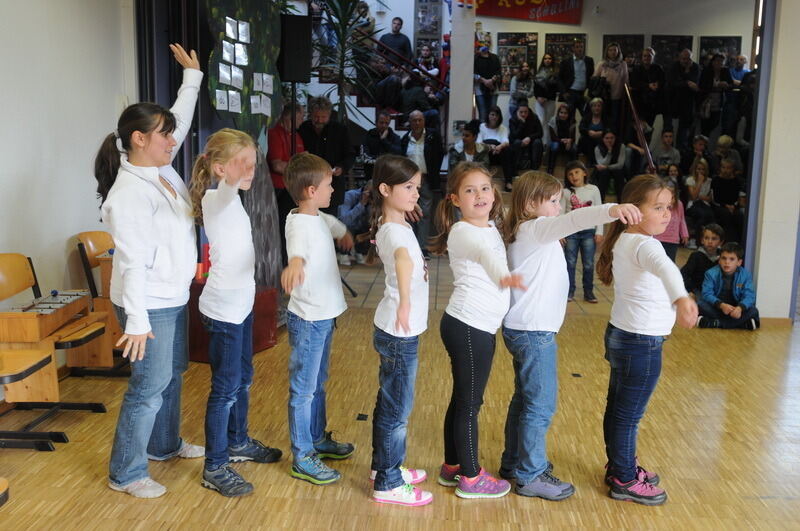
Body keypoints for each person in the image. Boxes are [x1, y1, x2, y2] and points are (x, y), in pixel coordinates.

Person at [96, 44, 205, 499]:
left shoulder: (160, 169)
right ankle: (126, 472)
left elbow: (176, 116)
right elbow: (131, 263)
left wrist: (192, 79)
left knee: (172, 372)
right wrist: (137, 323)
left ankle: (163, 445)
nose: (172, 141)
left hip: (171, 295)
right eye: (164, 135)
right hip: (148, 304)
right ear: (139, 139)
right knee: (147, 387)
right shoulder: (128, 194)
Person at [501, 171, 640, 500]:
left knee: (524, 402)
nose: (558, 207)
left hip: (525, 329)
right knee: (541, 406)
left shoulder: (529, 231)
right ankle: (531, 474)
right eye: (552, 201)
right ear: (531, 203)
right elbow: (578, 218)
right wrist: (612, 209)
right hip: (534, 333)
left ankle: (514, 464)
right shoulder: (535, 229)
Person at [189, 129, 283, 497]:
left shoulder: (234, 200)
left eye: (253, 163)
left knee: (243, 378)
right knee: (225, 390)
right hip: (223, 313)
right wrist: (231, 178)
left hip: (241, 307)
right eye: (242, 163)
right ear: (218, 168)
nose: (251, 170)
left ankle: (238, 441)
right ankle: (214, 466)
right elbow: (227, 189)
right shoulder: (217, 199)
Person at [596, 174, 699, 505]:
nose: (667, 214)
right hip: (640, 343)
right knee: (628, 415)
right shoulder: (646, 244)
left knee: (619, 409)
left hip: (623, 336)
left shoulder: (626, 239)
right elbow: (668, 270)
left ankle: (620, 466)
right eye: (657, 207)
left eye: (669, 206)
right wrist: (682, 299)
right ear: (633, 210)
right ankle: (625, 479)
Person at [430, 162, 525, 499]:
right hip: (469, 326)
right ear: (456, 199)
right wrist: (503, 275)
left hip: (473, 326)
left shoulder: (490, 226)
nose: (480, 195)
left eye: (485, 187)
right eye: (470, 190)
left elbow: (492, 247)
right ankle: (471, 478)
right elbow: (486, 256)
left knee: (462, 400)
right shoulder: (464, 231)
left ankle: (453, 466)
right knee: (470, 405)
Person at [281, 152, 356, 485]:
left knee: (317, 383)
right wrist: (295, 263)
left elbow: (330, 224)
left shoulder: (313, 216)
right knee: (304, 389)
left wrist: (343, 232)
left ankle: (317, 438)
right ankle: (303, 455)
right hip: (309, 319)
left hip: (323, 317)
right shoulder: (299, 223)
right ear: (311, 190)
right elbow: (297, 245)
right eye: (328, 184)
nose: (332, 188)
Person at [364, 155, 433, 507]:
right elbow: (404, 261)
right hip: (398, 332)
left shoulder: (395, 223)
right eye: (407, 187)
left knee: (388, 403)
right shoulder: (392, 231)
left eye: (417, 188)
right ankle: (388, 483)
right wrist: (405, 300)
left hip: (396, 330)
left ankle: (382, 468)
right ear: (385, 189)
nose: (415, 194)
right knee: (397, 411)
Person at [298, 96, 354, 215]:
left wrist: (341, 168)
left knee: (329, 224)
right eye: (316, 117)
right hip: (308, 184)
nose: (319, 120)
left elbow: (350, 155)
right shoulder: (303, 129)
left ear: (329, 115)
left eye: (323, 117)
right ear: (310, 114)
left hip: (332, 187)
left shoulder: (340, 130)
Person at [560, 160, 605, 302]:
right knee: (570, 262)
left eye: (577, 172)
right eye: (570, 174)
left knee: (588, 263)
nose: (574, 176)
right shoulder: (566, 192)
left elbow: (600, 212)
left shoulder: (593, 189)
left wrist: (599, 231)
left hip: (588, 232)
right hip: (570, 233)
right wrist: (560, 233)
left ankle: (588, 292)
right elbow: (560, 214)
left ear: (585, 173)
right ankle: (569, 291)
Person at [401, 110, 444, 254]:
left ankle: (422, 246)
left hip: (426, 179)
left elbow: (439, 155)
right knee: (409, 212)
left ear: (424, 121)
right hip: (409, 182)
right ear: (410, 122)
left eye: (420, 120)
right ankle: (411, 245)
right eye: (414, 120)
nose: (417, 123)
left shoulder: (433, 136)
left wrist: (433, 174)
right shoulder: (405, 139)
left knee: (425, 213)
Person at [268, 102, 306, 265]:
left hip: (293, 188)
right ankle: (283, 265)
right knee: (283, 229)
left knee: (294, 229)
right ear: (288, 118)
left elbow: (302, 159)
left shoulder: (296, 136)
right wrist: (298, 166)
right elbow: (277, 165)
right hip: (279, 189)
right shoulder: (274, 133)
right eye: (299, 118)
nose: (301, 122)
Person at [698, 242, 760, 330]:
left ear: (739, 262)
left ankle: (716, 323)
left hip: (735, 309)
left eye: (732, 259)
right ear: (719, 260)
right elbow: (706, 294)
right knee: (701, 305)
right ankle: (739, 325)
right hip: (718, 307)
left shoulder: (746, 275)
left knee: (753, 310)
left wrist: (740, 308)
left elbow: (750, 296)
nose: (727, 262)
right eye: (724, 258)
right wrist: (721, 305)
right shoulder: (710, 273)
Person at [667, 49, 701, 150]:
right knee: (670, 131)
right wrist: (687, 82)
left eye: (688, 59)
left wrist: (684, 80)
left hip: (689, 104)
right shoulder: (674, 67)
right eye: (684, 59)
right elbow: (673, 83)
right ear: (679, 58)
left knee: (685, 132)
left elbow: (695, 82)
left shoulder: (695, 67)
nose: (686, 61)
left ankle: (683, 153)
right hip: (674, 102)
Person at [593, 42, 629, 133]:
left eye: (615, 50)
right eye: (610, 50)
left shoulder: (623, 64)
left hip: (617, 97)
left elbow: (626, 81)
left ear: (618, 51)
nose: (613, 52)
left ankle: (613, 141)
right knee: (603, 119)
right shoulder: (602, 64)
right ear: (607, 51)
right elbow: (594, 79)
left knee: (615, 121)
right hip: (603, 97)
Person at [681, 223, 723, 298]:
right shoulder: (696, 256)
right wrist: (689, 291)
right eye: (706, 238)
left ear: (721, 242)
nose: (710, 241)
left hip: (717, 291)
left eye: (714, 238)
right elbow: (684, 274)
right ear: (702, 240)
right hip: (698, 290)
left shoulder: (724, 257)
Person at [478, 106, 515, 191]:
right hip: (486, 154)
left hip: (498, 155)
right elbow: (478, 142)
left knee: (507, 149)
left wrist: (499, 147)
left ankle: (508, 182)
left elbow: (506, 141)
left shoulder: (503, 128)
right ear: (488, 115)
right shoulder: (482, 127)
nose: (494, 117)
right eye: (492, 115)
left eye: (496, 115)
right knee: (491, 141)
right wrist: (490, 146)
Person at [336, 181, 372, 264]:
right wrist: (361, 204)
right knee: (345, 226)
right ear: (365, 190)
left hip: (359, 227)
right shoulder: (349, 195)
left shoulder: (374, 201)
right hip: (346, 226)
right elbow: (344, 220)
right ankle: (343, 253)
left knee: (373, 228)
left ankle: (359, 250)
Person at [698, 53, 733, 136]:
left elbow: (731, 84)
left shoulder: (725, 71)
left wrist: (726, 85)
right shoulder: (706, 71)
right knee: (705, 125)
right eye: (717, 61)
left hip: (719, 102)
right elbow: (701, 85)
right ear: (713, 62)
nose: (719, 63)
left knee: (715, 123)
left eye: (722, 61)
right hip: (706, 101)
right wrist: (716, 85)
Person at [711, 158, 745, 243]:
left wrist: (734, 206)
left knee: (740, 216)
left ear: (732, 169)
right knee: (726, 215)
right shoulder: (716, 180)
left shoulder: (737, 181)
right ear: (720, 168)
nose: (726, 170)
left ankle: (741, 242)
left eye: (728, 168)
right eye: (723, 167)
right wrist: (726, 206)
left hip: (733, 205)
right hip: (719, 206)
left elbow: (738, 196)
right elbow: (715, 198)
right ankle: (729, 242)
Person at [629, 47, 665, 128]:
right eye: (644, 56)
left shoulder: (658, 68)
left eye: (649, 56)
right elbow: (634, 83)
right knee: (639, 128)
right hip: (640, 103)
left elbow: (663, 81)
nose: (646, 58)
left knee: (651, 127)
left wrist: (658, 84)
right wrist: (648, 86)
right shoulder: (637, 69)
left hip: (654, 104)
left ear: (653, 57)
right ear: (642, 57)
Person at [653, 181, 688, 261]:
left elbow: (682, 220)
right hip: (658, 238)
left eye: (672, 194)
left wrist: (684, 234)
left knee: (670, 261)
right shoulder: (657, 204)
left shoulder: (679, 205)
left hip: (672, 240)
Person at [559, 39, 594, 115]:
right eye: (577, 47)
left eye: (581, 47)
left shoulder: (589, 60)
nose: (580, 49)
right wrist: (563, 92)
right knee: (570, 117)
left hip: (584, 93)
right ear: (573, 48)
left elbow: (591, 77)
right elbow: (559, 78)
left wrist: (589, 92)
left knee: (587, 115)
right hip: (571, 93)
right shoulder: (566, 61)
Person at [684, 158, 715, 242]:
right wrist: (699, 182)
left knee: (710, 215)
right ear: (695, 169)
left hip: (705, 205)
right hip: (693, 205)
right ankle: (696, 240)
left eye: (703, 169)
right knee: (702, 215)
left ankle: (709, 239)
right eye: (698, 169)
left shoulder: (710, 181)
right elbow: (693, 197)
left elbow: (710, 199)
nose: (700, 171)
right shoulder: (690, 180)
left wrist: (699, 196)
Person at [509, 104, 544, 174]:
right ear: (517, 112)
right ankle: (514, 171)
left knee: (538, 142)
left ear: (528, 111)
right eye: (521, 112)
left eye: (525, 112)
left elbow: (540, 133)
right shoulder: (513, 119)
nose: (523, 114)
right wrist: (522, 123)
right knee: (517, 142)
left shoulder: (534, 117)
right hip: (518, 142)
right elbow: (513, 136)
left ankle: (535, 169)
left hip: (531, 141)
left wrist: (529, 138)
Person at [533, 53, 559, 145]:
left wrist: (546, 98)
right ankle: (540, 143)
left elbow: (555, 88)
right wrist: (538, 97)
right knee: (540, 121)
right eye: (545, 58)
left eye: (549, 58)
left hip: (550, 101)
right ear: (543, 60)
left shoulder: (555, 73)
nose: (547, 60)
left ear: (552, 60)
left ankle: (547, 144)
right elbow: (535, 88)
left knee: (549, 123)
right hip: (539, 101)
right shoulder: (538, 72)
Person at [594, 129, 627, 201]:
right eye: (607, 138)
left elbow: (620, 164)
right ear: (603, 139)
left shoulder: (621, 146)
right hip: (603, 170)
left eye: (612, 138)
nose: (609, 140)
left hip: (617, 169)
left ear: (615, 138)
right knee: (604, 173)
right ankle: (600, 200)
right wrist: (609, 152)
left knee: (619, 173)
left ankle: (621, 200)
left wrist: (607, 167)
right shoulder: (597, 148)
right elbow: (601, 164)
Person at [546, 103, 576, 175]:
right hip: (556, 141)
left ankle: (573, 169)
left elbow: (573, 138)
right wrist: (561, 140)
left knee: (574, 148)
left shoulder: (572, 121)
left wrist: (570, 140)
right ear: (558, 112)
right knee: (555, 146)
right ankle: (550, 169)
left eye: (565, 113)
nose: (563, 115)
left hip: (566, 143)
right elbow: (553, 137)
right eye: (561, 112)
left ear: (569, 114)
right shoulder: (553, 120)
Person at [474, 46, 502, 123]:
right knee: (482, 114)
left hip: (493, 88)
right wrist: (484, 81)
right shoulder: (475, 58)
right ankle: (483, 134)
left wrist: (492, 80)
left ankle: (492, 133)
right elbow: (473, 73)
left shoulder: (495, 57)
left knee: (493, 114)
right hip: (479, 89)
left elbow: (499, 72)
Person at [578, 97, 605, 163]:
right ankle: (590, 161)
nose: (597, 108)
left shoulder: (606, 118)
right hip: (588, 140)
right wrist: (588, 132)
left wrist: (601, 133)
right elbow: (581, 128)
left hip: (602, 140)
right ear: (591, 107)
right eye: (594, 106)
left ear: (602, 107)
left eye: (599, 106)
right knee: (588, 140)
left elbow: (610, 129)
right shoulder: (586, 117)